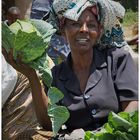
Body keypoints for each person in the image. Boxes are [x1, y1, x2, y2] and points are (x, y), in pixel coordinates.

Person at [3, 0, 138, 139]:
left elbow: (133, 106)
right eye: (75, 24)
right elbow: (49, 125)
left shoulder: (117, 59)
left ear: (99, 32)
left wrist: (97, 135)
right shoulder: (56, 74)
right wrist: (32, 76)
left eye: (91, 25)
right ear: (63, 31)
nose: (84, 29)